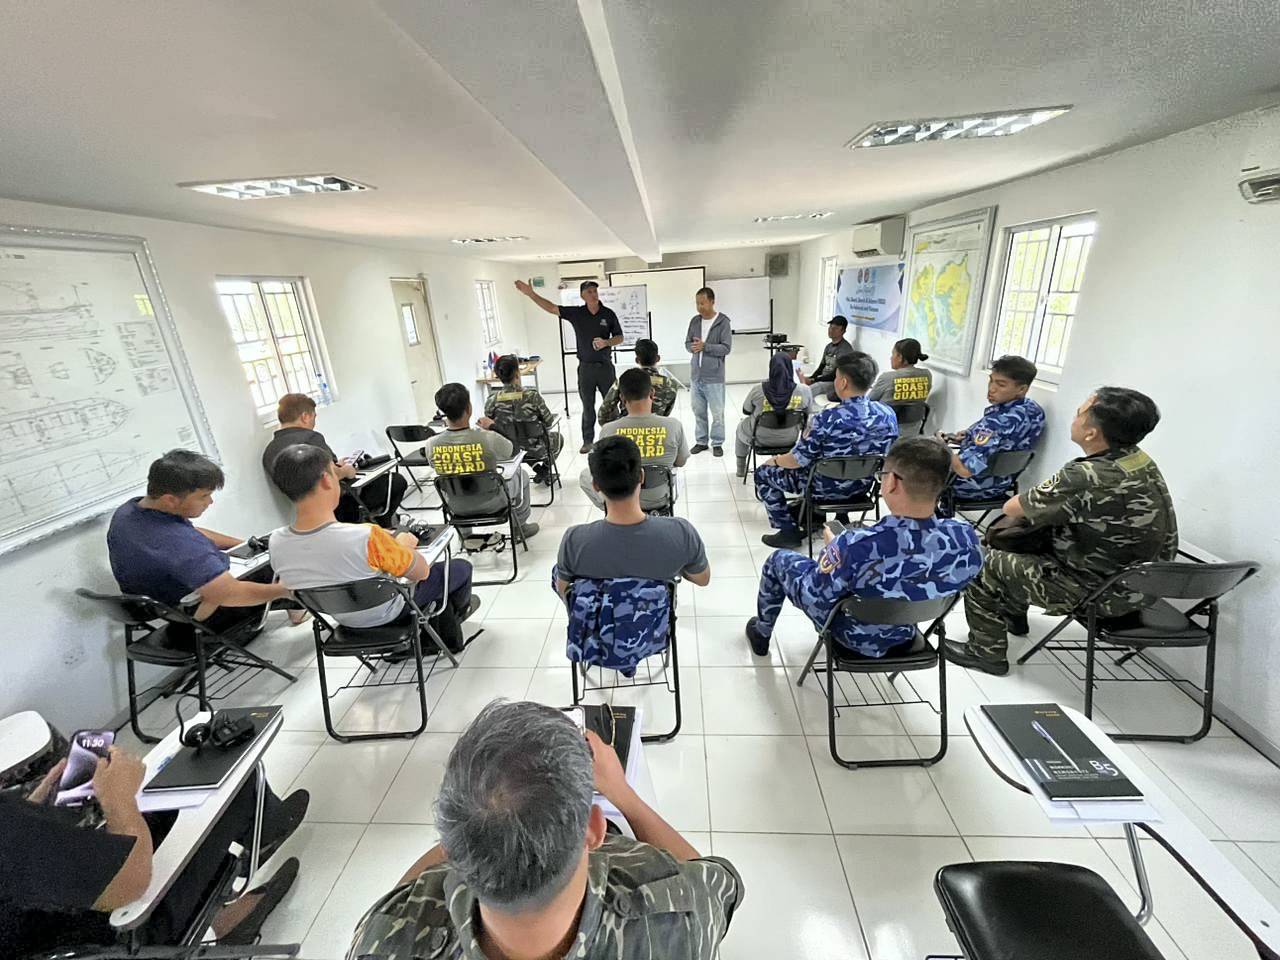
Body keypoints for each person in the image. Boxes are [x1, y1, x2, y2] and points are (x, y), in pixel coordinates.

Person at [347, 700, 742, 960]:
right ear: (593, 828)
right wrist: (624, 794)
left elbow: (401, 898)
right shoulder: (675, 913)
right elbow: (722, 881)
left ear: (451, 847)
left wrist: (471, 825)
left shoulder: (385, 941)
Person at [0, 725, 307, 956]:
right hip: (115, 938)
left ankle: (256, 849)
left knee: (161, 808)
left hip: (42, 924)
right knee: (231, 787)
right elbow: (131, 884)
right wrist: (119, 800)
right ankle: (234, 902)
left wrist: (33, 813)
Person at [946, 387, 1179, 676]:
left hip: (1100, 593)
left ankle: (985, 653)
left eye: (1080, 412)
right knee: (1024, 540)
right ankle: (1012, 617)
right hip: (1144, 586)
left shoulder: (1085, 475)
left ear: (1093, 432)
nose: (1075, 415)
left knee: (982, 560)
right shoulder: (1140, 461)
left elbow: (1012, 507)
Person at [745, 437, 983, 657]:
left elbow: (819, 599)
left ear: (891, 482)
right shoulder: (966, 539)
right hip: (906, 634)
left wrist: (832, 552)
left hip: (853, 638)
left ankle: (762, 633)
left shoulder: (856, 544)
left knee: (778, 560)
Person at [267, 444, 479, 652]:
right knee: (460, 568)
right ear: (326, 480)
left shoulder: (276, 543)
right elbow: (421, 572)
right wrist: (404, 545)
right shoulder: (366, 536)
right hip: (392, 611)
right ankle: (441, 626)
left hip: (341, 618)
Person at [107, 449, 299, 641]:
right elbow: (228, 593)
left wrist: (246, 545)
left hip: (164, 607)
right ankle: (298, 610)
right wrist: (284, 590)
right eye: (204, 496)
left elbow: (195, 533)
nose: (210, 501)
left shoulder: (130, 512)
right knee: (289, 564)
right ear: (170, 499)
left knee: (267, 557)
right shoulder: (177, 542)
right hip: (198, 617)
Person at [754, 353, 899, 548]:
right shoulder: (887, 414)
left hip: (821, 489)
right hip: (862, 487)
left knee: (763, 473)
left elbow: (798, 460)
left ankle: (788, 531)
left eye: (837, 377)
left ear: (843, 382)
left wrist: (776, 460)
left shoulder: (825, 419)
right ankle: (836, 515)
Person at [562, 435, 710, 591]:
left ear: (595, 486)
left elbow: (564, 590)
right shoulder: (681, 532)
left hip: (600, 615)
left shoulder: (575, 540)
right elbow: (703, 579)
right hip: (654, 615)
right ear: (641, 476)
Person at [262, 392, 406, 528]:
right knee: (396, 481)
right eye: (314, 417)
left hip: (304, 512)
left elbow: (310, 472)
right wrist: (345, 470)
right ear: (305, 416)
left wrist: (336, 466)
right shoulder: (310, 438)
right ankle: (383, 525)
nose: (314, 422)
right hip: (339, 505)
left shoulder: (269, 451)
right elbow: (330, 476)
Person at [515, 278, 623, 453]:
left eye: (595, 291)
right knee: (587, 406)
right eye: (589, 292)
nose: (594, 294)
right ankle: (588, 441)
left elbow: (620, 337)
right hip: (586, 368)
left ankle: (615, 439)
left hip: (605, 367)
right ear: (582, 296)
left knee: (610, 405)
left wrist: (606, 342)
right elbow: (551, 308)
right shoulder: (577, 313)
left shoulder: (608, 314)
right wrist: (531, 294)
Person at [425, 382, 539, 540]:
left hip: (455, 506)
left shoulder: (431, 444)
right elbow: (513, 449)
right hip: (493, 503)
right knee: (522, 475)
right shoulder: (487, 438)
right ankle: (520, 528)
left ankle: (465, 536)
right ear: (469, 409)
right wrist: (493, 426)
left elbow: (435, 466)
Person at [938, 355, 1045, 507]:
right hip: (1004, 484)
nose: (991, 388)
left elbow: (965, 470)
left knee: (913, 467)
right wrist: (970, 435)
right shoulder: (1034, 411)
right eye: (991, 380)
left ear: (1022, 389)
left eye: (1001, 385)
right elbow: (1005, 441)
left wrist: (942, 447)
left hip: (972, 487)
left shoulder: (994, 423)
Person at [579, 369, 689, 513]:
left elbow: (602, 468)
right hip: (660, 496)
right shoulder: (674, 425)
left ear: (623, 399)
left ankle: (615, 510)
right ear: (652, 394)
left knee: (585, 475)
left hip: (621, 498)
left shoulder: (608, 430)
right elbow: (681, 462)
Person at [478, 353, 564, 485]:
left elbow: (490, 426)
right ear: (518, 373)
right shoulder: (532, 397)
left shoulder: (492, 401)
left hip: (508, 450)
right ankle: (544, 471)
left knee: (520, 444)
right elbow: (548, 421)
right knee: (558, 438)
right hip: (537, 449)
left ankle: (539, 470)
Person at [734, 351, 816, 479]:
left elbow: (746, 410)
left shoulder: (758, 390)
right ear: (790, 368)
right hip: (790, 438)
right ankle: (782, 465)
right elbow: (808, 413)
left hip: (760, 439)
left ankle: (740, 469)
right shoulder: (804, 390)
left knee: (740, 426)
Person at [684, 286, 733, 456]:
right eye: (697, 303)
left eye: (703, 303)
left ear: (712, 301)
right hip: (696, 375)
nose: (699, 307)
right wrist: (693, 347)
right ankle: (701, 441)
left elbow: (726, 348)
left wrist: (706, 347)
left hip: (714, 376)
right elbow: (687, 344)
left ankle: (717, 442)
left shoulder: (723, 322)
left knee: (717, 413)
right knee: (698, 411)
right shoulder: (695, 321)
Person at [597, 337, 679, 426]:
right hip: (656, 431)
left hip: (627, 431)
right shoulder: (671, 384)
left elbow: (604, 412)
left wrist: (616, 426)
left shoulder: (625, 380)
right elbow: (665, 414)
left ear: (637, 360)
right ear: (658, 358)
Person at [799, 316, 856, 402]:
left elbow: (835, 375)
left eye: (835, 328)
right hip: (823, 379)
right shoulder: (828, 347)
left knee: (812, 389)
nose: (831, 330)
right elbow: (821, 367)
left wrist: (814, 380)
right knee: (801, 386)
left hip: (835, 382)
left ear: (843, 331)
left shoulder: (845, 349)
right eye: (830, 327)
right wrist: (811, 378)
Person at [868, 338, 933, 404]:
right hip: (916, 414)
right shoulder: (927, 375)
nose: (891, 358)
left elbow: (868, 401)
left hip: (886, 414)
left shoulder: (887, 377)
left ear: (900, 357)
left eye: (893, 354)